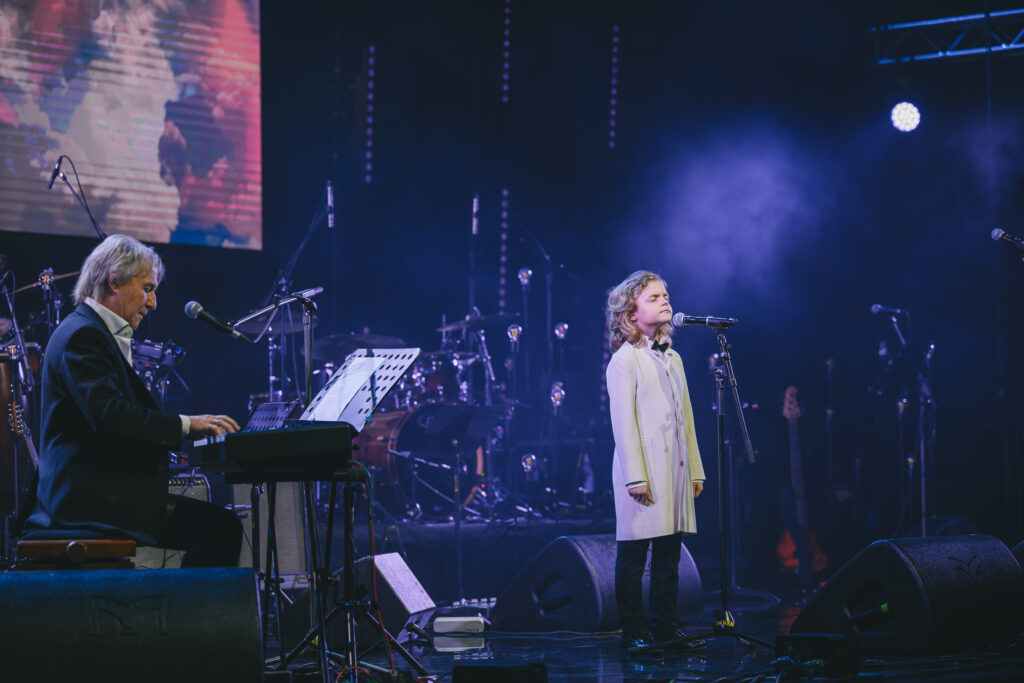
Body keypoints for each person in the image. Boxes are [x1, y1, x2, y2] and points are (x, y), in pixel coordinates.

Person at [26, 234, 243, 566]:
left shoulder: (90, 331)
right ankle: (182, 603)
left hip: (97, 491)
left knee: (218, 527)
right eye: (147, 288)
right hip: (86, 501)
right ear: (114, 281)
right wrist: (188, 425)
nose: (153, 303)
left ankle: (180, 601)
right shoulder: (84, 335)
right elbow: (112, 416)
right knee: (222, 529)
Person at [605, 270, 707, 654]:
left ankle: (666, 626)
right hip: (642, 468)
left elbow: (687, 418)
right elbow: (623, 423)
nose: (665, 301)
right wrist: (635, 477)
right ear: (631, 312)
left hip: (674, 467)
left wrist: (695, 469)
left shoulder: (673, 358)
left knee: (669, 552)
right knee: (634, 553)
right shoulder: (624, 360)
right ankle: (633, 629)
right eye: (653, 297)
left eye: (665, 295)